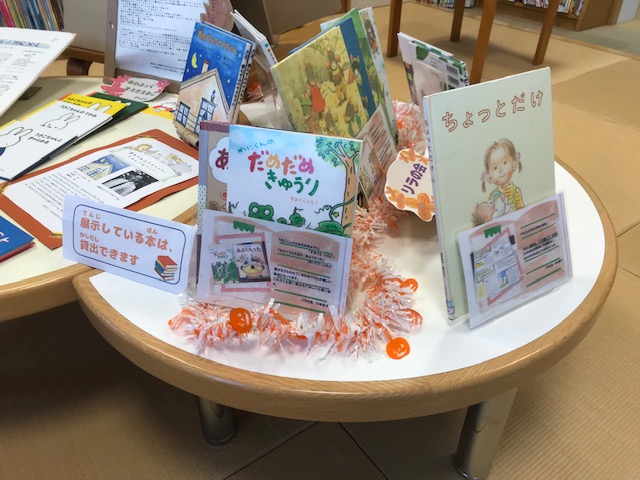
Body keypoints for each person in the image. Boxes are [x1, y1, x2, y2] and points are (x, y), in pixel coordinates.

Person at [481, 138, 524, 212]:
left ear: (513, 165)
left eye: (504, 163)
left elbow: (522, 210)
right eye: (495, 168)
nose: (500, 170)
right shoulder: (493, 196)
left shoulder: (516, 191)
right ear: (490, 179)